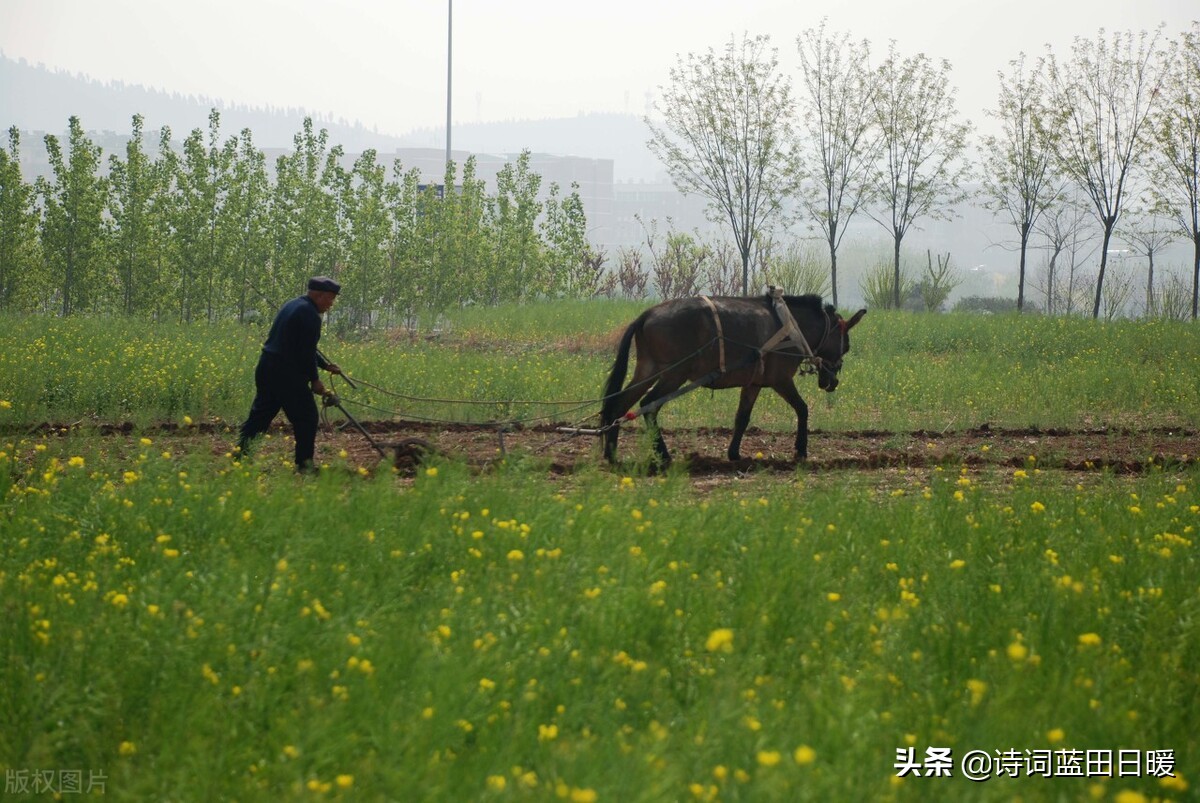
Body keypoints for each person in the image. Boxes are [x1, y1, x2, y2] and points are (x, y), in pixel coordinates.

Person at [237, 276, 344, 471]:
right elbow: (304, 353)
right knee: (307, 417)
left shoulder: (293, 305)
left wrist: (326, 366)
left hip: (268, 368)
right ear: (319, 295)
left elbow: (303, 347)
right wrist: (315, 381)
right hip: (287, 375)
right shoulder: (310, 315)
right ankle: (304, 465)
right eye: (330, 299)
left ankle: (240, 457)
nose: (331, 304)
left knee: (260, 417)